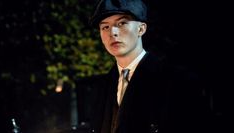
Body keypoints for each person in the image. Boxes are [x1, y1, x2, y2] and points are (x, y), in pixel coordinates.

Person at [87, 0, 210, 133]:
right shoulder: (100, 87)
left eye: (122, 23)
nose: (113, 32)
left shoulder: (178, 80)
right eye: (105, 27)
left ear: (141, 29)